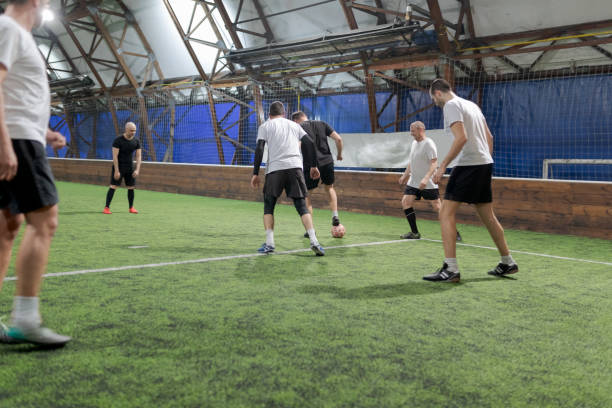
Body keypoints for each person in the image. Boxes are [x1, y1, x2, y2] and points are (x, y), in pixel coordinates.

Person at [0, 0, 71, 345]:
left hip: (23, 134)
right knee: (45, 220)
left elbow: (16, 97)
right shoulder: (9, 28)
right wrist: (4, 144)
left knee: (7, 227)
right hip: (16, 140)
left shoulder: (17, 33)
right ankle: (26, 318)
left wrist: (45, 132)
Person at [424, 78, 518, 282]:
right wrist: (485, 161)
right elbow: (489, 137)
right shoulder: (472, 105)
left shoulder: (450, 105)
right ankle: (507, 262)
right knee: (488, 216)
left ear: (438, 93)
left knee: (445, 212)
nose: (434, 102)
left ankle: (451, 269)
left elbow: (461, 138)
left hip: (468, 164)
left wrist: (442, 165)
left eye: (433, 98)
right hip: (484, 163)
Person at [251, 101, 324, 256]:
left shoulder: (265, 126)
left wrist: (255, 173)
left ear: (269, 115)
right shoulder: (294, 125)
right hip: (295, 168)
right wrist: (313, 166)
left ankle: (270, 244)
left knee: (269, 206)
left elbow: (259, 148)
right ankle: (314, 241)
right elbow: (309, 143)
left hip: (275, 170)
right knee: (301, 206)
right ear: (283, 114)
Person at [398, 121, 461, 241]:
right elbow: (412, 161)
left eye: (413, 131)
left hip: (427, 182)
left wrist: (426, 178)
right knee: (406, 202)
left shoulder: (429, 144)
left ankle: (455, 232)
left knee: (438, 207)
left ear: (421, 129)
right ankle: (415, 233)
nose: (411, 133)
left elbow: (434, 163)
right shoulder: (414, 143)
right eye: (411, 131)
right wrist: (405, 175)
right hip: (413, 181)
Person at [291, 111, 343, 231]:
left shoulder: (299, 127)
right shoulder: (322, 123)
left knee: (307, 195)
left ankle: (310, 229)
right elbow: (339, 139)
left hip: (310, 165)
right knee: (329, 188)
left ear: (295, 121)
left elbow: (297, 146)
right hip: (327, 161)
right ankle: (335, 216)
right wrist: (339, 155)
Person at [103, 122, 141, 214]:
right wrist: (116, 170)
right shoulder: (118, 140)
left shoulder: (136, 141)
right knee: (113, 186)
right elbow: (115, 156)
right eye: (131, 130)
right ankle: (106, 208)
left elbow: (138, 156)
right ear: (126, 130)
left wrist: (137, 169)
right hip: (119, 167)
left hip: (130, 168)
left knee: (131, 187)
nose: (133, 132)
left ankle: (131, 207)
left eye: (134, 131)